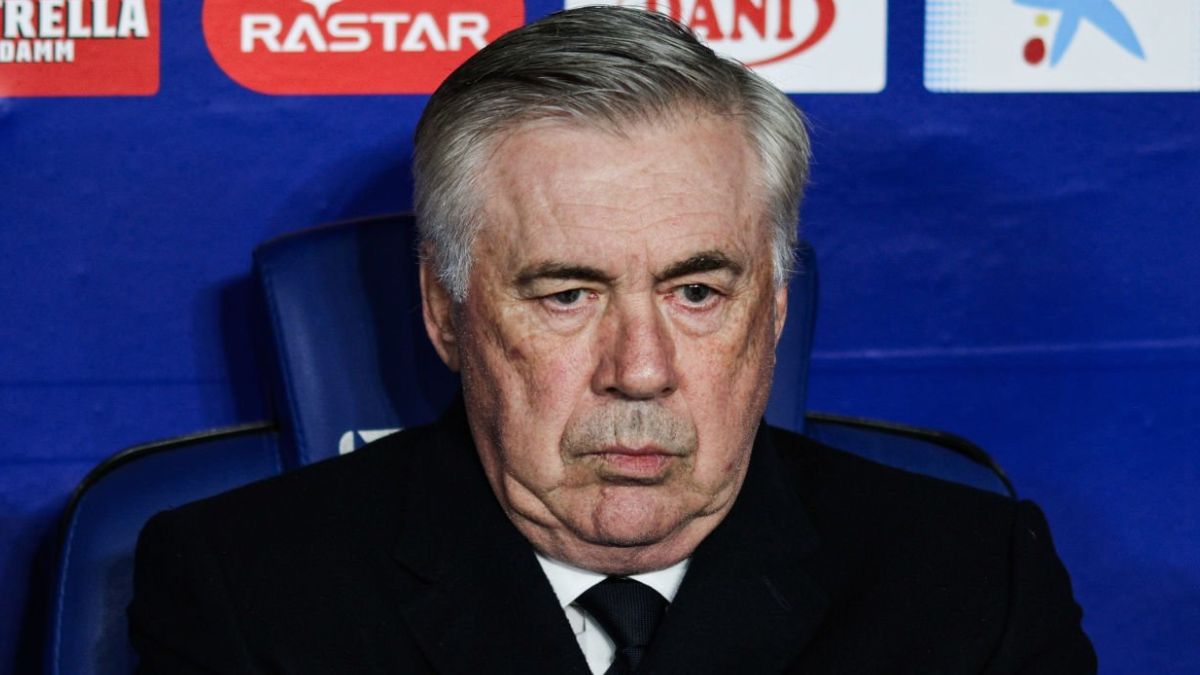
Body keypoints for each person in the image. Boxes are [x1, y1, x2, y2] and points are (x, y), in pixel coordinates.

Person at [130, 7, 1095, 674]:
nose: (640, 369)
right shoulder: (248, 590)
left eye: (697, 291)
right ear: (444, 308)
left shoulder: (973, 583)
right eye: (567, 294)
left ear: (773, 310)